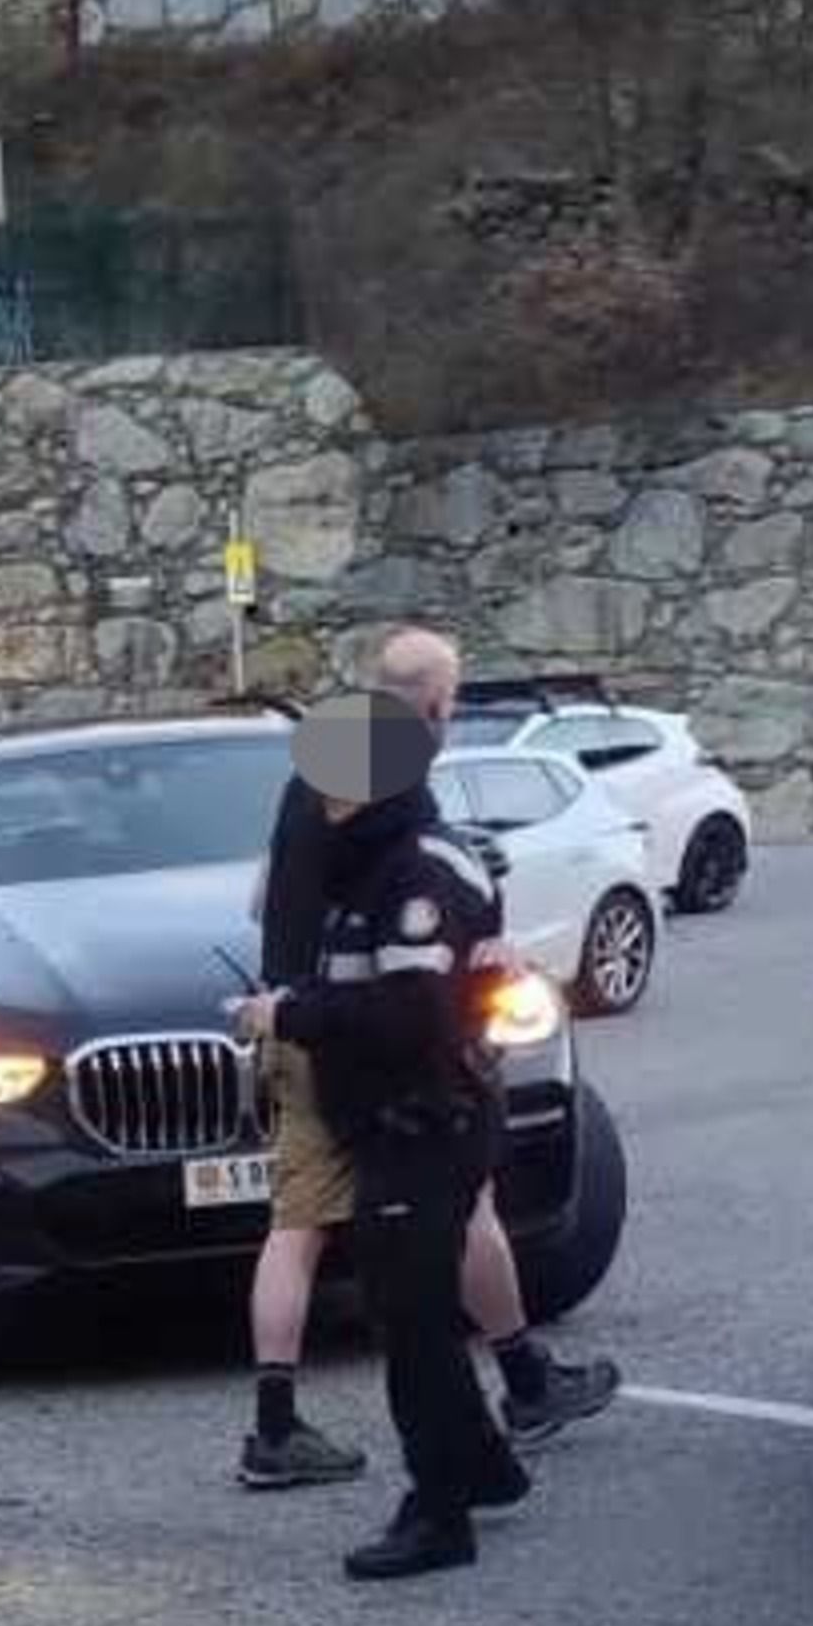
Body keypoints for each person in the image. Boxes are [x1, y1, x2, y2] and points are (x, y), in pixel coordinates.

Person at [237, 628, 613, 1491]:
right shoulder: (396, 781)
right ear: (439, 706)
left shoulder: (316, 776)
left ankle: (275, 1422)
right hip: (355, 1031)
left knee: (295, 1226)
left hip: (291, 1016)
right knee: (462, 1201)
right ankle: (521, 1382)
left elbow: (262, 894)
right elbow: (421, 922)